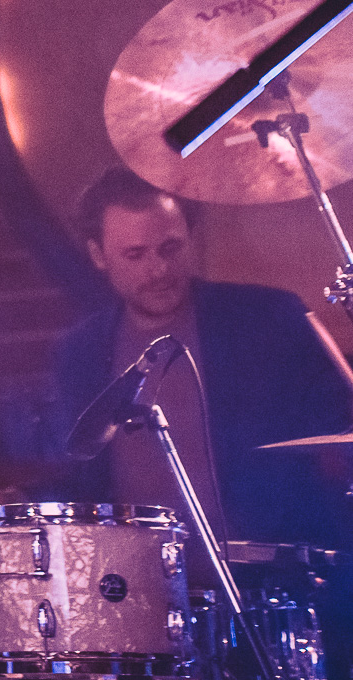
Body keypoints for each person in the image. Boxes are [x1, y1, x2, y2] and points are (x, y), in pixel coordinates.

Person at [51, 166, 349, 546]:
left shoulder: (269, 318)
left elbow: (340, 433)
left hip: (272, 578)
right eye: (135, 255)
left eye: (170, 248)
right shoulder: (80, 351)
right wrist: (8, 500)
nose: (157, 269)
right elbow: (79, 478)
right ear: (98, 255)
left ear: (190, 237)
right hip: (139, 587)